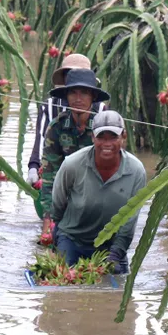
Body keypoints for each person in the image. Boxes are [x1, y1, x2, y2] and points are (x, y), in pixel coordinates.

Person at [50, 110, 147, 275]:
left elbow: (130, 220)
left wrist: (116, 253)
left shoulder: (136, 171)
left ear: (124, 137)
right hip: (73, 239)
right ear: (93, 138)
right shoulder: (72, 164)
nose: (107, 143)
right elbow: (58, 203)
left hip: (111, 246)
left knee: (115, 294)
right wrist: (58, 235)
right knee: (62, 287)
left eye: (113, 137)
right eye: (101, 137)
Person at [39, 68, 109, 234]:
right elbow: (50, 177)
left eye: (84, 93)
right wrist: (48, 220)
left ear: (93, 97)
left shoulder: (105, 129)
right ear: (66, 97)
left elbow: (116, 173)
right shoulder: (56, 127)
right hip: (68, 191)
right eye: (73, 93)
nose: (78, 99)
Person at [27, 54, 105, 193]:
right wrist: (33, 168)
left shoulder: (100, 109)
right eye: (71, 75)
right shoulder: (49, 106)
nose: (78, 97)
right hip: (56, 171)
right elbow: (42, 140)